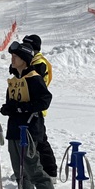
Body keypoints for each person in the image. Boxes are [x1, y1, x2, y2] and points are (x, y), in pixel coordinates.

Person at [0, 41, 58, 189]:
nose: (12, 59)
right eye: (12, 56)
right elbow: (12, 101)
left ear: (24, 60)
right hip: (14, 127)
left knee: (32, 165)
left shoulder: (34, 78)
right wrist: (8, 108)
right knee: (17, 163)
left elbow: (45, 100)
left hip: (29, 128)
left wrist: (23, 108)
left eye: (15, 56)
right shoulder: (15, 79)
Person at [22, 34, 57, 178]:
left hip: (36, 107)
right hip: (29, 106)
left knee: (40, 141)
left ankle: (50, 171)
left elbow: (36, 85)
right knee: (32, 140)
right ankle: (32, 169)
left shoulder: (39, 63)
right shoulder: (32, 61)